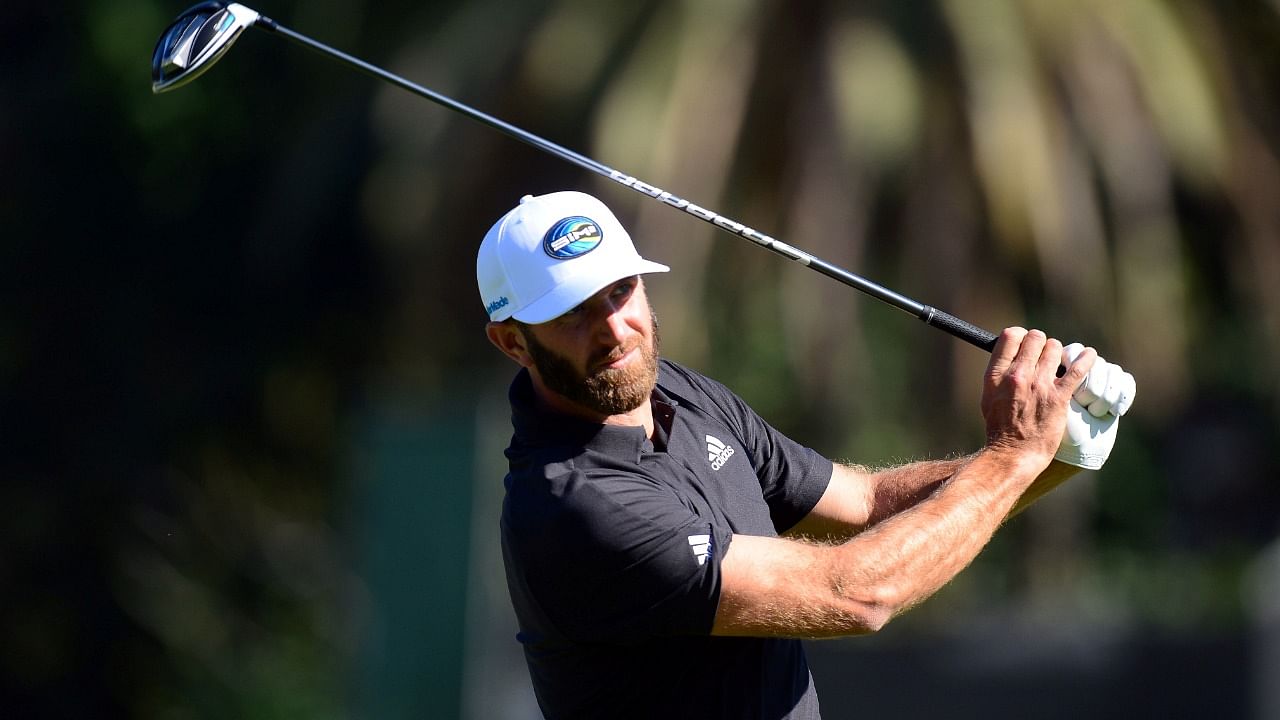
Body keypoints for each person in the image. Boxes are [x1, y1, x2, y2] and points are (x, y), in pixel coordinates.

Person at [476, 191, 1135, 719]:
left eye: (621, 291)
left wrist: (1056, 454)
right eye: (572, 314)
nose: (615, 330)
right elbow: (854, 594)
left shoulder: (675, 389)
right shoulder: (573, 508)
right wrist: (1012, 457)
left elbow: (866, 505)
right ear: (512, 342)